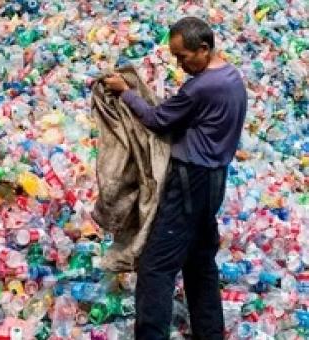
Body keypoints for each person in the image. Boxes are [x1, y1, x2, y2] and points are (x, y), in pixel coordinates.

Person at [103, 17, 247, 340]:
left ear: (204, 49)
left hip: (189, 182)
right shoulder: (232, 77)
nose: (180, 65)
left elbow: (157, 119)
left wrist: (126, 92)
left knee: (156, 266)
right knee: (199, 261)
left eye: (183, 56)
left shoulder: (201, 87)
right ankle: (209, 332)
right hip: (215, 181)